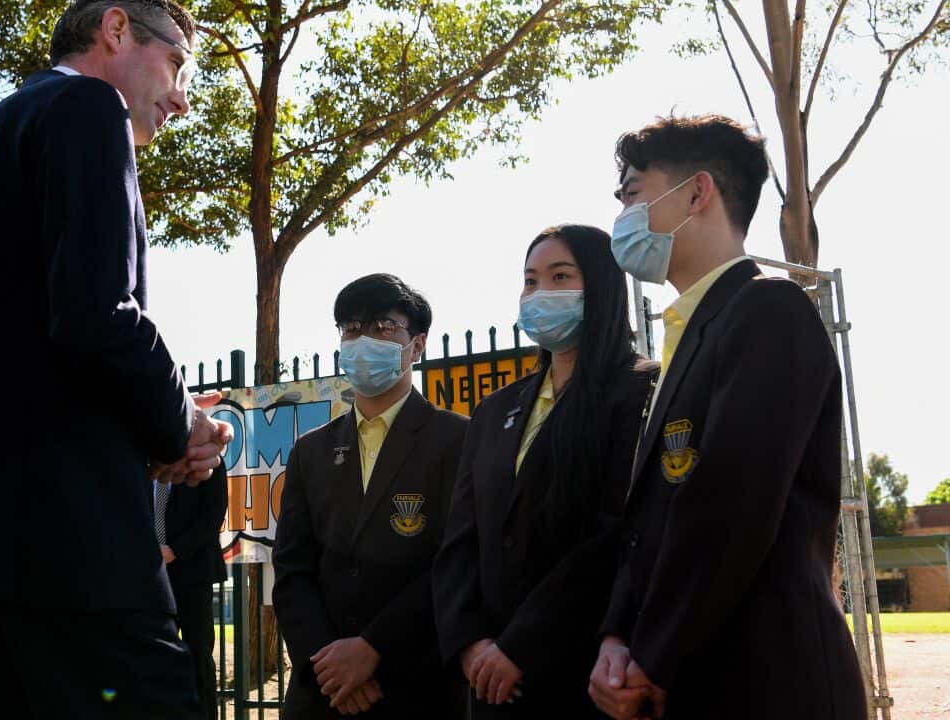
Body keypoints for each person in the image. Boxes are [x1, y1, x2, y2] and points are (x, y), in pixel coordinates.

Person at [0, 1, 232, 718]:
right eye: (178, 64)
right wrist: (181, 422)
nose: (182, 97)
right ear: (116, 30)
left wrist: (152, 435)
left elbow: (35, 353)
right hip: (71, 547)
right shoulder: (89, 106)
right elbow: (95, 317)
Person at [587, 114, 867, 720]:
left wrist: (653, 655)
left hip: (766, 680)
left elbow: (731, 505)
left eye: (633, 193)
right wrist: (617, 636)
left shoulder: (768, 308)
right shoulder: (689, 334)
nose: (624, 215)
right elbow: (653, 519)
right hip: (694, 673)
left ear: (697, 193)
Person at [432, 225, 656, 718]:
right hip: (490, 684)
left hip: (581, 672)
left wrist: (521, 645)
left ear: (599, 286)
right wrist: (470, 643)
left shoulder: (641, 392)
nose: (539, 293)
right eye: (530, 280)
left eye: (559, 277)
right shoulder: (494, 410)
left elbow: (615, 534)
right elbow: (461, 539)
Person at [273, 274, 469, 719]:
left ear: (417, 345)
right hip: (323, 694)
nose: (364, 340)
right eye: (351, 328)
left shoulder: (458, 439)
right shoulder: (311, 451)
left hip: (414, 686)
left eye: (383, 327)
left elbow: (455, 562)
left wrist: (373, 648)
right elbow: (292, 569)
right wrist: (327, 665)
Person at [156, 463, 229, 720]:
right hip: (149, 577)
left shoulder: (207, 463)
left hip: (192, 575)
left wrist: (174, 550)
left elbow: (213, 515)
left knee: (197, 658)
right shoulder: (141, 463)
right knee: (155, 659)